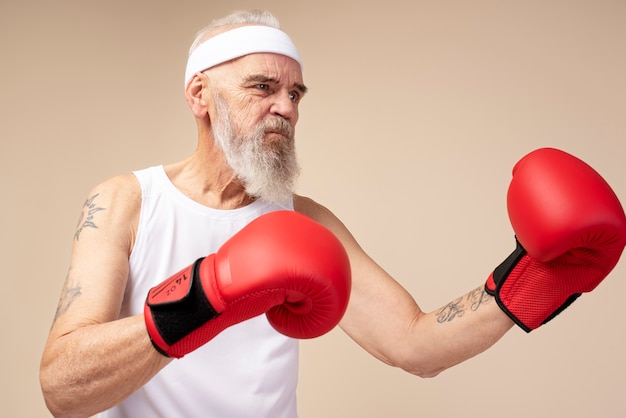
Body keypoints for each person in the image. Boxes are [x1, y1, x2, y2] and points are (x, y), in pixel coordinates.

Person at [39, 9, 626, 418]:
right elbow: (63, 388)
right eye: (262, 87)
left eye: (295, 95)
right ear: (199, 95)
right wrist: (208, 295)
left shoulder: (305, 221)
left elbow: (414, 345)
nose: (285, 109)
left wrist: (527, 283)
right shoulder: (124, 201)